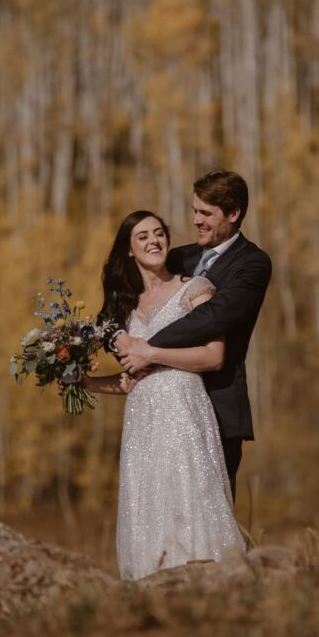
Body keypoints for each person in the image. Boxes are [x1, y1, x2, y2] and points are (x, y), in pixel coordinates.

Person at [84, 209, 245, 580]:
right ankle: (150, 591)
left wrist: (152, 353)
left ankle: (209, 586)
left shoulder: (194, 289)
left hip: (184, 409)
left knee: (190, 498)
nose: (154, 241)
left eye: (159, 233)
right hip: (142, 422)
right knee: (148, 506)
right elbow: (131, 382)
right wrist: (87, 384)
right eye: (142, 236)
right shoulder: (124, 311)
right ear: (129, 249)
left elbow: (214, 356)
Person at [113, 170, 272, 501]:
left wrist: (147, 348)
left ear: (233, 214)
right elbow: (118, 306)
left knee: (211, 507)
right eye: (194, 210)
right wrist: (119, 340)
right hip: (161, 407)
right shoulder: (178, 256)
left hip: (218, 401)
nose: (196, 220)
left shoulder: (253, 264)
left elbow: (213, 316)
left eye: (206, 213)